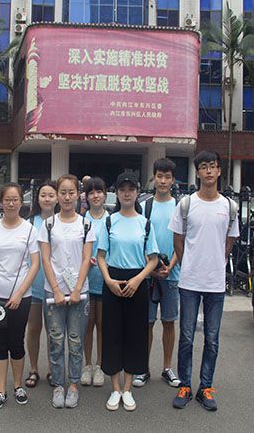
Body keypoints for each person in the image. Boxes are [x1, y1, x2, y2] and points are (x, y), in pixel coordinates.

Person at [169, 150, 240, 411]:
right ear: (197, 172)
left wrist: (216, 263)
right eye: (203, 167)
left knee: (212, 338)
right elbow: (178, 240)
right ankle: (185, 385)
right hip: (189, 282)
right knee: (186, 337)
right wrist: (188, 263)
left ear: (219, 170)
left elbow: (229, 241)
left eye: (213, 166)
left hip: (215, 284)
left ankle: (205, 387)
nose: (208, 171)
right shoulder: (186, 204)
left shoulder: (229, 207)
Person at [96, 172, 159, 412]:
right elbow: (101, 256)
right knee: (112, 334)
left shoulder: (145, 223)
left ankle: (128, 388)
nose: (126, 193)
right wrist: (108, 280)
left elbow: (153, 259)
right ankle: (115, 388)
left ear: (137, 192)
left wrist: (138, 279)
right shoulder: (109, 221)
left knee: (135, 335)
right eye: (122, 189)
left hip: (137, 282)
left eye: (131, 189)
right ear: (117, 193)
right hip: (112, 280)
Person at [0, 183, 40, 410]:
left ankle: (17, 386)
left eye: (15, 200)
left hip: (21, 298)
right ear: (1, 202)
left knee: (17, 341)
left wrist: (19, 293)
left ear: (21, 202)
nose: (11, 204)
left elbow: (35, 265)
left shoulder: (29, 230)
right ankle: (1, 390)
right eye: (7, 200)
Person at [38, 174, 94, 409]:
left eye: (72, 192)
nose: (67, 197)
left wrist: (77, 289)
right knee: (56, 340)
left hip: (79, 294)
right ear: (57, 196)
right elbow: (45, 259)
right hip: (53, 293)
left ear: (78, 195)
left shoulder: (86, 224)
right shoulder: (48, 224)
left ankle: (73, 385)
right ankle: (58, 384)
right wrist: (56, 290)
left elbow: (86, 258)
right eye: (63, 192)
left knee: (75, 340)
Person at [134, 158, 181, 388]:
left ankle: (167, 368)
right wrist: (151, 268)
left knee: (169, 322)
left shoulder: (180, 207)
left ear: (173, 180)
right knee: (147, 323)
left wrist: (170, 265)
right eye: (159, 176)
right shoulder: (145, 206)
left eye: (167, 177)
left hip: (172, 273)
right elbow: (139, 240)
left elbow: (182, 241)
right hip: (149, 274)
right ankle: (142, 368)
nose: (163, 181)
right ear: (154, 178)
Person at [25, 180, 58, 389]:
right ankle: (34, 369)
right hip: (34, 286)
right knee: (34, 328)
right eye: (43, 195)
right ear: (37, 198)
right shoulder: (29, 223)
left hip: (56, 287)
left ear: (57, 198)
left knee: (54, 331)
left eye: (51, 195)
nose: (47, 199)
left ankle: (52, 370)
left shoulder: (62, 221)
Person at [81, 177, 108, 387]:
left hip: (106, 282)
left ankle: (100, 365)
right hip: (85, 283)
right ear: (87, 197)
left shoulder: (112, 220)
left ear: (105, 195)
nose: (95, 196)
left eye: (99, 191)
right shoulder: (81, 220)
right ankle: (87, 365)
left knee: (102, 325)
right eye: (91, 192)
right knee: (87, 325)